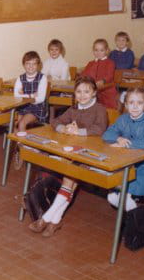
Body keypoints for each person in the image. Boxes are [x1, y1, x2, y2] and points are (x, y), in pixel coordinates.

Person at [28, 76, 108, 237]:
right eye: (79, 92)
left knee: (70, 178)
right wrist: (63, 128)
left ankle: (46, 218)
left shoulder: (99, 109)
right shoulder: (74, 109)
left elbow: (100, 129)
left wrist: (79, 132)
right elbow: (55, 121)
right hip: (75, 152)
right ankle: (55, 220)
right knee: (70, 180)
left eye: (86, 92)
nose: (82, 95)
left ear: (94, 93)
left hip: (92, 155)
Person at [103, 87, 144, 211]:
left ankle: (131, 207)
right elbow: (107, 134)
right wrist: (119, 138)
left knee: (127, 187)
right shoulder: (123, 119)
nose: (135, 107)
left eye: (139, 103)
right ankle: (127, 202)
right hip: (127, 160)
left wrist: (126, 144)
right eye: (131, 103)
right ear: (126, 104)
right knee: (114, 185)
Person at [13, 51, 49, 169]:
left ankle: (23, 153)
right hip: (23, 107)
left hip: (37, 108)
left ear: (38, 65)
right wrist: (31, 95)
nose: (31, 66)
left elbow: (40, 99)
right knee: (12, 123)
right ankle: (22, 146)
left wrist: (24, 95)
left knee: (22, 123)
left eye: (34, 64)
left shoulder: (42, 78)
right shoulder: (20, 78)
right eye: (28, 64)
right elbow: (16, 97)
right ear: (24, 64)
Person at [80, 38, 119, 109]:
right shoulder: (91, 63)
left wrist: (103, 81)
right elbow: (84, 74)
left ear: (107, 51)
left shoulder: (110, 63)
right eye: (96, 50)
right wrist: (81, 79)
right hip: (92, 90)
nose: (98, 53)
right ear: (93, 51)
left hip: (106, 89)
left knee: (107, 106)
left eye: (101, 50)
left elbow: (109, 76)